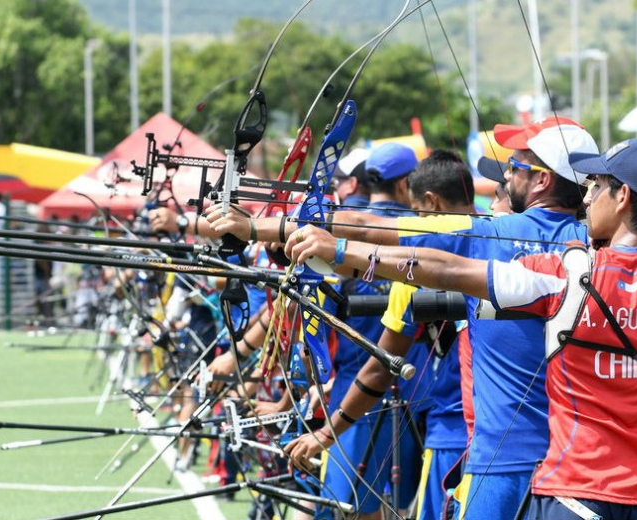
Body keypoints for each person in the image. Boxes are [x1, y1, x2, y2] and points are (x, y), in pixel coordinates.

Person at [284, 137, 637, 519]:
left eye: (598, 185)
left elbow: (445, 269)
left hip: (575, 497)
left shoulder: (564, 273)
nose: (588, 195)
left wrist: (341, 252)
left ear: (623, 198)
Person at [209, 116, 599, 520]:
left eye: (515, 168)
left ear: (542, 181)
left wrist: (254, 227)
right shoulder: (600, 248)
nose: (507, 177)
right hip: (578, 464)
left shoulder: (489, 235)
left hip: (503, 459)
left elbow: (365, 225)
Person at [287, 149, 475, 520]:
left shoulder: (412, 250)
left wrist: (324, 430)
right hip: (435, 405)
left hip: (372, 395)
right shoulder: (510, 242)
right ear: (404, 184)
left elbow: (369, 363)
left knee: (351, 507)